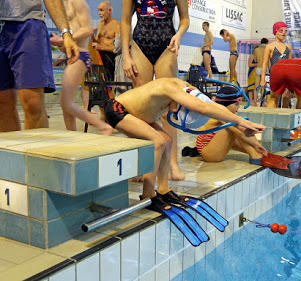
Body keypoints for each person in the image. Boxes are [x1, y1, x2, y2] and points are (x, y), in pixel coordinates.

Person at [103, 77, 266, 199]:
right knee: (158, 142)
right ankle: (147, 194)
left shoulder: (186, 88)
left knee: (167, 140)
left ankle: (163, 188)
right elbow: (202, 108)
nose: (174, 112)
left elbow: (210, 105)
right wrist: (242, 121)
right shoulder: (170, 87)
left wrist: (243, 123)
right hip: (118, 110)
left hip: (137, 115)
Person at [121, 0, 189, 181]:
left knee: (169, 107)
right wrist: (126, 55)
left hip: (167, 45)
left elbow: (185, 19)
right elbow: (126, 21)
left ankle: (172, 164)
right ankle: (142, 163)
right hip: (139, 45)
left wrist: (179, 35)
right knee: (139, 110)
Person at [0, 0, 79, 132]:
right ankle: (10, 152)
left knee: (33, 103)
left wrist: (65, 33)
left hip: (28, 23)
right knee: (3, 103)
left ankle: (32, 152)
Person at [50, 0, 113, 135]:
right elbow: (67, 42)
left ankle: (103, 126)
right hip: (71, 56)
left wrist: (64, 39)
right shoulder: (61, 5)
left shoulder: (78, 2)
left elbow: (87, 29)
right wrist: (60, 43)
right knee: (65, 106)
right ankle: (71, 136)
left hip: (81, 56)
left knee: (66, 104)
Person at [196, 86, 267, 162]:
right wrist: (256, 144)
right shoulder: (220, 113)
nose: (238, 107)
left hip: (209, 145)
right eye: (236, 104)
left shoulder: (219, 110)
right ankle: (256, 156)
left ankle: (257, 153)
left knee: (238, 126)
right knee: (234, 126)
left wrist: (255, 146)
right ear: (226, 103)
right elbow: (239, 132)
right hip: (208, 152)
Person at [261, 22, 292, 108]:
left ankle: (285, 118)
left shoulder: (288, 47)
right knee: (274, 98)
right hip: (275, 77)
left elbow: (290, 64)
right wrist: (262, 79)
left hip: (286, 77)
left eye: (285, 31)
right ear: (275, 31)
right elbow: (264, 64)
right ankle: (270, 118)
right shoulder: (270, 46)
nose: (283, 33)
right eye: (281, 30)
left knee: (286, 97)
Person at [93, 1, 120, 81]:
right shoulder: (100, 24)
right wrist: (90, 35)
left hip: (111, 59)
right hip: (100, 58)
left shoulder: (117, 25)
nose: (99, 13)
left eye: (101, 10)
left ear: (109, 11)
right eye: (98, 10)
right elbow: (97, 42)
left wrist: (101, 47)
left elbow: (117, 49)